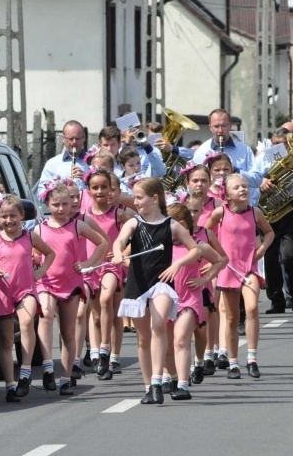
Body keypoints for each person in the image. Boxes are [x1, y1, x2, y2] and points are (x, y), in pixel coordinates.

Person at [113, 177, 201, 404]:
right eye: (135, 197)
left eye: (139, 197)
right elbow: (120, 241)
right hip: (138, 284)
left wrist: (177, 265)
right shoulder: (134, 223)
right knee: (143, 338)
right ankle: (149, 386)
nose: (136, 201)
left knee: (159, 324)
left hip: (161, 282)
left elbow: (195, 250)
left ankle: (157, 381)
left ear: (155, 198)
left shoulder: (171, 225)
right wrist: (118, 252)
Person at [34, 181, 108, 395]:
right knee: (46, 314)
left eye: (65, 204)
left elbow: (102, 243)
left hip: (70, 284)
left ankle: (65, 378)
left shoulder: (77, 225)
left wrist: (88, 264)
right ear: (47, 203)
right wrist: (35, 260)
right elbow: (35, 254)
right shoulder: (40, 229)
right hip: (46, 282)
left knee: (68, 332)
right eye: (56, 204)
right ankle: (48, 366)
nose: (61, 208)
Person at [0, 194, 55, 402]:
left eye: (13, 216)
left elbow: (50, 253)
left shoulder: (30, 237)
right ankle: (10, 385)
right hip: (3, 292)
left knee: (26, 323)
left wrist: (39, 273)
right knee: (6, 340)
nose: (9, 220)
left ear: (22, 216)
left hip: (26, 289)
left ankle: (25, 372)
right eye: (4, 216)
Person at [206, 174, 274, 379]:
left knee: (252, 307)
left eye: (244, 186)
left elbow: (269, 233)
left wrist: (261, 249)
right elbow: (204, 235)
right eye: (237, 187)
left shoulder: (255, 212)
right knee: (232, 317)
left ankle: (252, 359)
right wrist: (213, 258)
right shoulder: (220, 213)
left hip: (249, 268)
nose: (242, 190)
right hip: (228, 269)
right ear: (226, 193)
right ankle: (233, 362)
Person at [165, 203, 226, 399]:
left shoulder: (199, 246)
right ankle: (174, 378)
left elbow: (219, 260)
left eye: (168, 225)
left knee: (184, 338)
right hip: (167, 300)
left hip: (190, 298)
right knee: (168, 343)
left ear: (181, 225)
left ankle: (188, 378)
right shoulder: (162, 246)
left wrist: (204, 279)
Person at [84, 169, 134, 380]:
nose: (100, 191)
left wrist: (122, 252)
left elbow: (137, 234)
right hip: (92, 266)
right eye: (95, 187)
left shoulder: (119, 214)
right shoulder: (84, 215)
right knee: (99, 315)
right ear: (88, 190)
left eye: (105, 187)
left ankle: (108, 353)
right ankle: (100, 354)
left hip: (112, 266)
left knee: (107, 301)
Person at [258, 127, 293, 314]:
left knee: (288, 255)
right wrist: (262, 180)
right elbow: (254, 176)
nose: (279, 147)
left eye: (283, 144)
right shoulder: (263, 158)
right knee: (270, 259)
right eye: (276, 144)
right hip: (270, 216)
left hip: (292, 212)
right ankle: (276, 300)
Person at [191, 109, 262, 205]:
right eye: (216, 126)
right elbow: (194, 183)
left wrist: (236, 171)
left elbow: (257, 180)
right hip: (211, 207)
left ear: (230, 126)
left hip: (240, 207)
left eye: (224, 126)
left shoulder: (244, 150)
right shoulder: (201, 152)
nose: (220, 130)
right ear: (210, 127)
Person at [36, 120, 89, 196]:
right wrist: (59, 189)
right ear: (63, 139)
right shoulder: (52, 164)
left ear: (84, 138)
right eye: (70, 139)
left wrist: (87, 179)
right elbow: (41, 193)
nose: (74, 142)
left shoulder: (94, 161)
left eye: (77, 138)